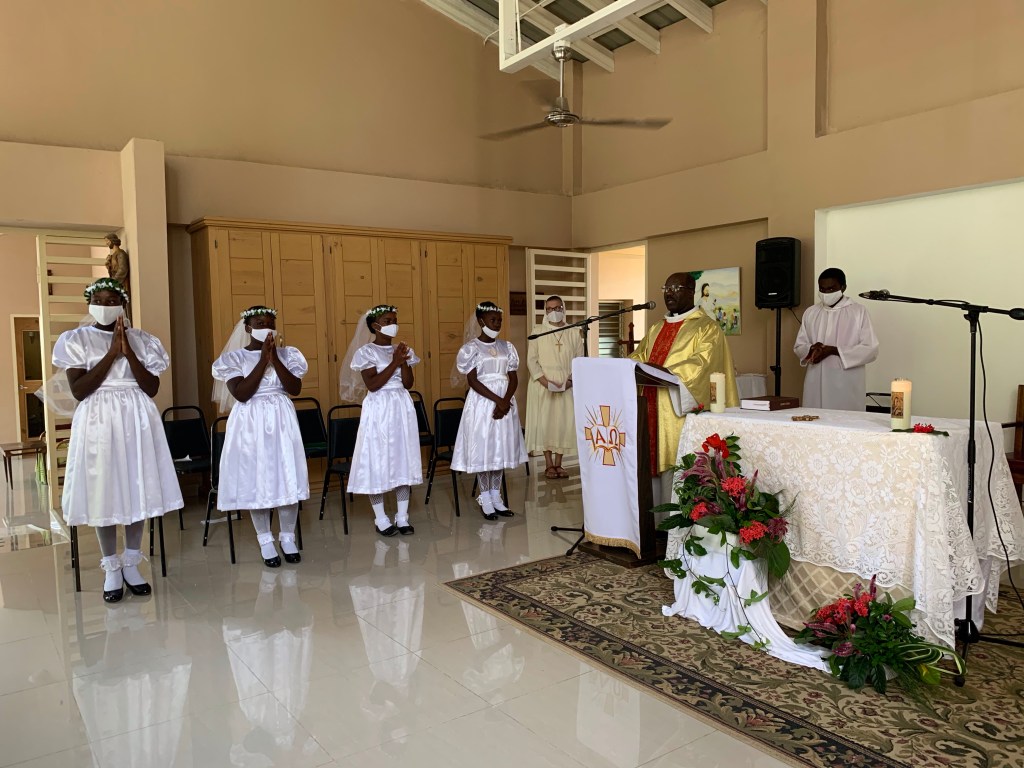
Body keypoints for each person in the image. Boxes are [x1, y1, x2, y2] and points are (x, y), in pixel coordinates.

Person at [53, 277, 182, 603]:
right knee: (104, 491)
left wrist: (128, 352)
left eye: (112, 301)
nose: (105, 306)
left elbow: (151, 388)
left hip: (136, 418)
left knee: (138, 486)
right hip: (98, 422)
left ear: (123, 305)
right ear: (89, 304)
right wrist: (112, 353)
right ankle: (111, 566)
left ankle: (131, 562)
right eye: (99, 300)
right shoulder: (77, 340)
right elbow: (80, 390)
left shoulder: (142, 341)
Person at [630, 272, 739, 504]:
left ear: (691, 292)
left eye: (676, 288)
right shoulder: (656, 328)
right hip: (648, 407)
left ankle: (673, 521)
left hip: (675, 413)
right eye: (666, 289)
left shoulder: (707, 327)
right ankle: (649, 521)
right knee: (646, 464)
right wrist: (629, 366)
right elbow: (638, 357)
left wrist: (665, 372)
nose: (669, 293)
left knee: (674, 466)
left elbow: (703, 364)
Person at [212, 306, 308, 567]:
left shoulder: (288, 354)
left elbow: (294, 388)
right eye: (260, 323)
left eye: (270, 323)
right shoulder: (234, 358)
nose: (267, 328)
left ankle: (287, 537)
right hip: (251, 423)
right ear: (248, 328)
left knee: (287, 477)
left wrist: (275, 359)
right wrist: (263, 361)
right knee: (258, 479)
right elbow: (241, 393)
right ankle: (265, 540)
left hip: (282, 420)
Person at [341, 304, 422, 537]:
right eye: (388, 321)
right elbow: (373, 385)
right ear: (375, 326)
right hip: (379, 408)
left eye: (395, 320)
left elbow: (408, 383)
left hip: (401, 406)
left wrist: (403, 360)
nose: (393, 325)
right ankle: (381, 518)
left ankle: (402, 516)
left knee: (402, 458)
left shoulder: (402, 349)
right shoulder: (366, 352)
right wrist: (395, 362)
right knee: (376, 460)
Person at [451, 301, 528, 520]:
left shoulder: (507, 347)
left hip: (505, 401)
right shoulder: (471, 348)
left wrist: (505, 400)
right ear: (481, 321)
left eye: (499, 320)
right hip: (483, 403)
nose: (497, 324)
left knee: (499, 448)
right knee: (485, 448)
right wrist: (497, 401)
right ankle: (485, 498)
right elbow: (473, 381)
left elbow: (513, 377)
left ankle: (497, 496)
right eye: (493, 320)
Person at [794, 267, 879, 411]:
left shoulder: (858, 312)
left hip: (846, 382)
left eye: (831, 289)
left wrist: (834, 350)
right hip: (816, 381)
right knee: (815, 418)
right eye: (822, 289)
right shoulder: (811, 312)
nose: (826, 293)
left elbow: (870, 349)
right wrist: (811, 349)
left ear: (843, 287)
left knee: (845, 419)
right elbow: (799, 345)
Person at [525, 295, 582, 479]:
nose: (553, 312)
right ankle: (548, 464)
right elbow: (532, 361)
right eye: (549, 309)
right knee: (546, 424)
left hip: (567, 384)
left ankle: (559, 463)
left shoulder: (574, 332)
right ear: (545, 311)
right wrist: (546, 383)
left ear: (563, 309)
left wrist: (569, 382)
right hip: (543, 384)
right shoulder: (538, 331)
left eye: (557, 308)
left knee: (563, 423)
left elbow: (579, 360)